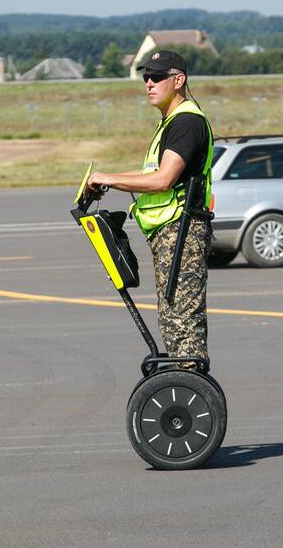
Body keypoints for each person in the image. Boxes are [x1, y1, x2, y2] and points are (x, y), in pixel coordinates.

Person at [86, 50, 214, 368]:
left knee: (183, 326)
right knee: (172, 321)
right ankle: (184, 389)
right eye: (146, 76)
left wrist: (109, 179)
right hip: (170, 234)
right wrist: (108, 179)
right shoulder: (171, 122)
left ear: (178, 80)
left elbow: (163, 180)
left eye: (157, 76)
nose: (149, 83)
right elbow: (149, 176)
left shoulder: (186, 121)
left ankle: (192, 393)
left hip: (183, 233)